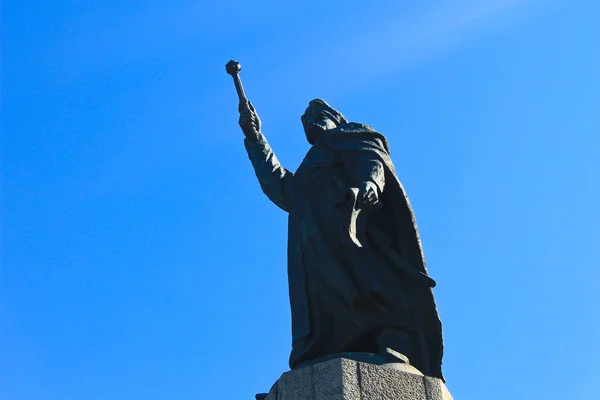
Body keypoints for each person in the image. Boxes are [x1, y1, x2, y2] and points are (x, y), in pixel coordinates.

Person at [239, 98, 444, 379]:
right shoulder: (309, 167)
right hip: (312, 243)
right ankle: (334, 346)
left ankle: (394, 340)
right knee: (326, 298)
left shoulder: (350, 137)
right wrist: (255, 137)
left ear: (336, 119)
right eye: (306, 121)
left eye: (317, 115)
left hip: (349, 226)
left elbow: (371, 159)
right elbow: (282, 187)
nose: (311, 122)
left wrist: (370, 183)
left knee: (367, 283)